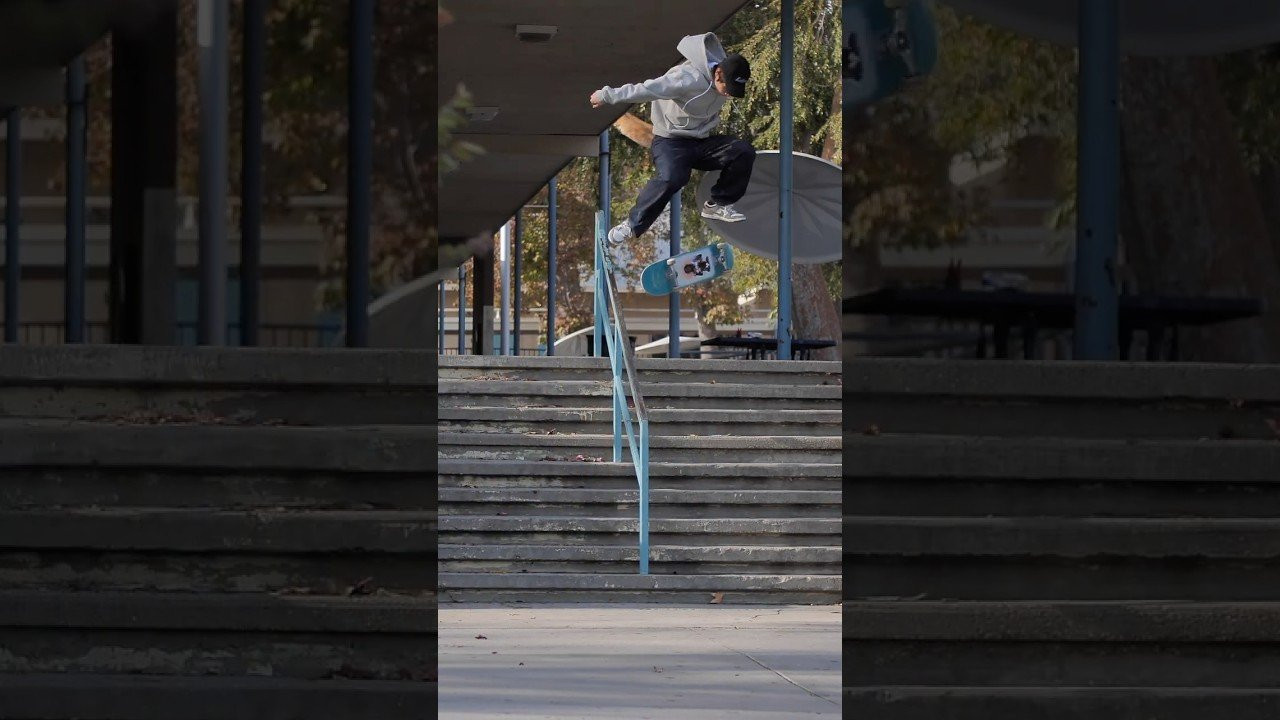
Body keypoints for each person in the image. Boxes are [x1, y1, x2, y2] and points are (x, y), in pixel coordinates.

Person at [590, 32, 755, 247]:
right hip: (670, 141)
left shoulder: (725, 82)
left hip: (700, 142)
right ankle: (631, 224)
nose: (728, 95)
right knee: (673, 177)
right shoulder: (686, 78)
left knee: (743, 151)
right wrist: (607, 95)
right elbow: (646, 89)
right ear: (718, 75)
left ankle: (717, 204)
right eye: (728, 89)